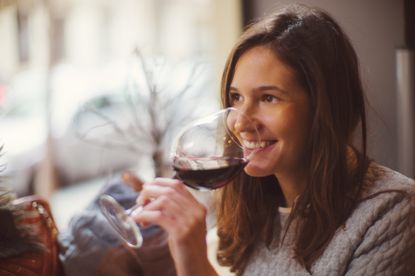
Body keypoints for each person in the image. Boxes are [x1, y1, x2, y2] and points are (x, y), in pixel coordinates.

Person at [133, 4, 415, 275]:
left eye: (269, 98)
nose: (241, 122)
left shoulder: (393, 211)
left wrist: (194, 261)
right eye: (236, 97)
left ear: (324, 108)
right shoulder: (250, 206)